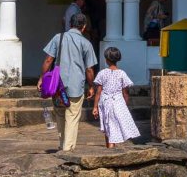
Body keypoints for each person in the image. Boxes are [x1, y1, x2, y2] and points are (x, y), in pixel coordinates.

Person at [38, 12, 97, 152]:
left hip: (57, 85)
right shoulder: (86, 43)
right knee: (72, 116)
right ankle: (67, 148)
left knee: (59, 114)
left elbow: (48, 60)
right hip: (76, 86)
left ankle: (62, 144)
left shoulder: (58, 38)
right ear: (83, 27)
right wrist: (91, 86)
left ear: (70, 24)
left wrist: (41, 78)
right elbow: (89, 69)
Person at [92, 46, 139, 149]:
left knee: (108, 125)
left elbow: (98, 92)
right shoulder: (122, 74)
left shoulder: (102, 73)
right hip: (118, 102)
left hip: (105, 102)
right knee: (113, 125)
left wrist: (95, 107)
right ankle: (110, 148)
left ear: (106, 59)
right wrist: (124, 105)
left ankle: (110, 148)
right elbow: (125, 93)